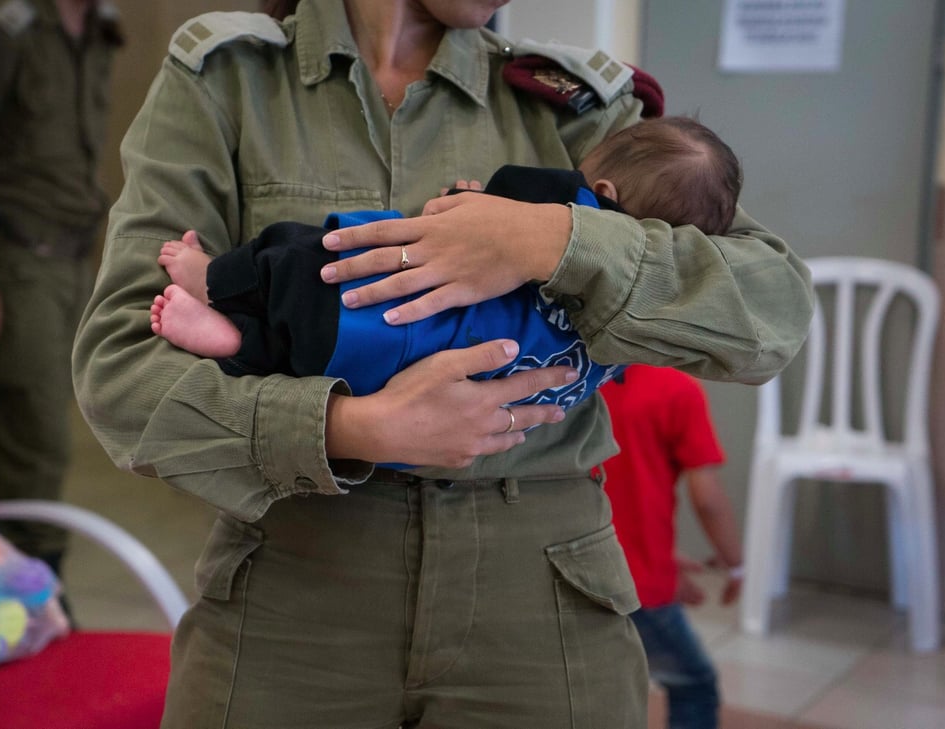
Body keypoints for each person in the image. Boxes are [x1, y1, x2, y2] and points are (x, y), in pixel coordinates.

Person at [71, 1, 813, 727]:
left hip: (541, 586)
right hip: (292, 587)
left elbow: (773, 314)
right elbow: (121, 370)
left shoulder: (574, 105)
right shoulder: (227, 80)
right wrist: (349, 426)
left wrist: (553, 237)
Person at [149, 116, 739, 416]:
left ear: (602, 187)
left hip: (376, 306)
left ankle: (213, 280)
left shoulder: (572, 204)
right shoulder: (626, 332)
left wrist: (483, 206)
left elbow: (501, 201)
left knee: (297, 251)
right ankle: (234, 342)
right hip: (416, 381)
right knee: (296, 354)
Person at [0, 0, 122, 572]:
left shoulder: (100, 29)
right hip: (16, 260)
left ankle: (21, 590)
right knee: (33, 441)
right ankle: (34, 593)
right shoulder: (8, 32)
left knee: (41, 427)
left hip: (74, 260)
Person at [595, 365, 744, 729]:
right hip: (639, 586)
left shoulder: (580, 379)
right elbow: (707, 499)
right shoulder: (676, 388)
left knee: (599, 684)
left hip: (580, 565)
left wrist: (662, 555)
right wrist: (736, 564)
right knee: (694, 684)